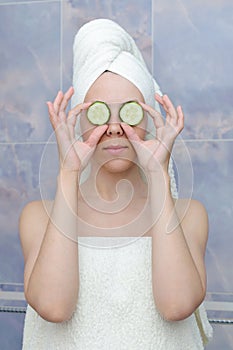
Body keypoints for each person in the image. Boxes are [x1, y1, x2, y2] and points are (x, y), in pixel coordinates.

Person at [19, 18, 213, 349]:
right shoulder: (39, 217)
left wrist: (157, 175)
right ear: (77, 120)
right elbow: (54, 307)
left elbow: (176, 306)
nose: (114, 127)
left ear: (150, 118)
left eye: (130, 112)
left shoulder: (188, 215)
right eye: (98, 112)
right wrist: (68, 172)